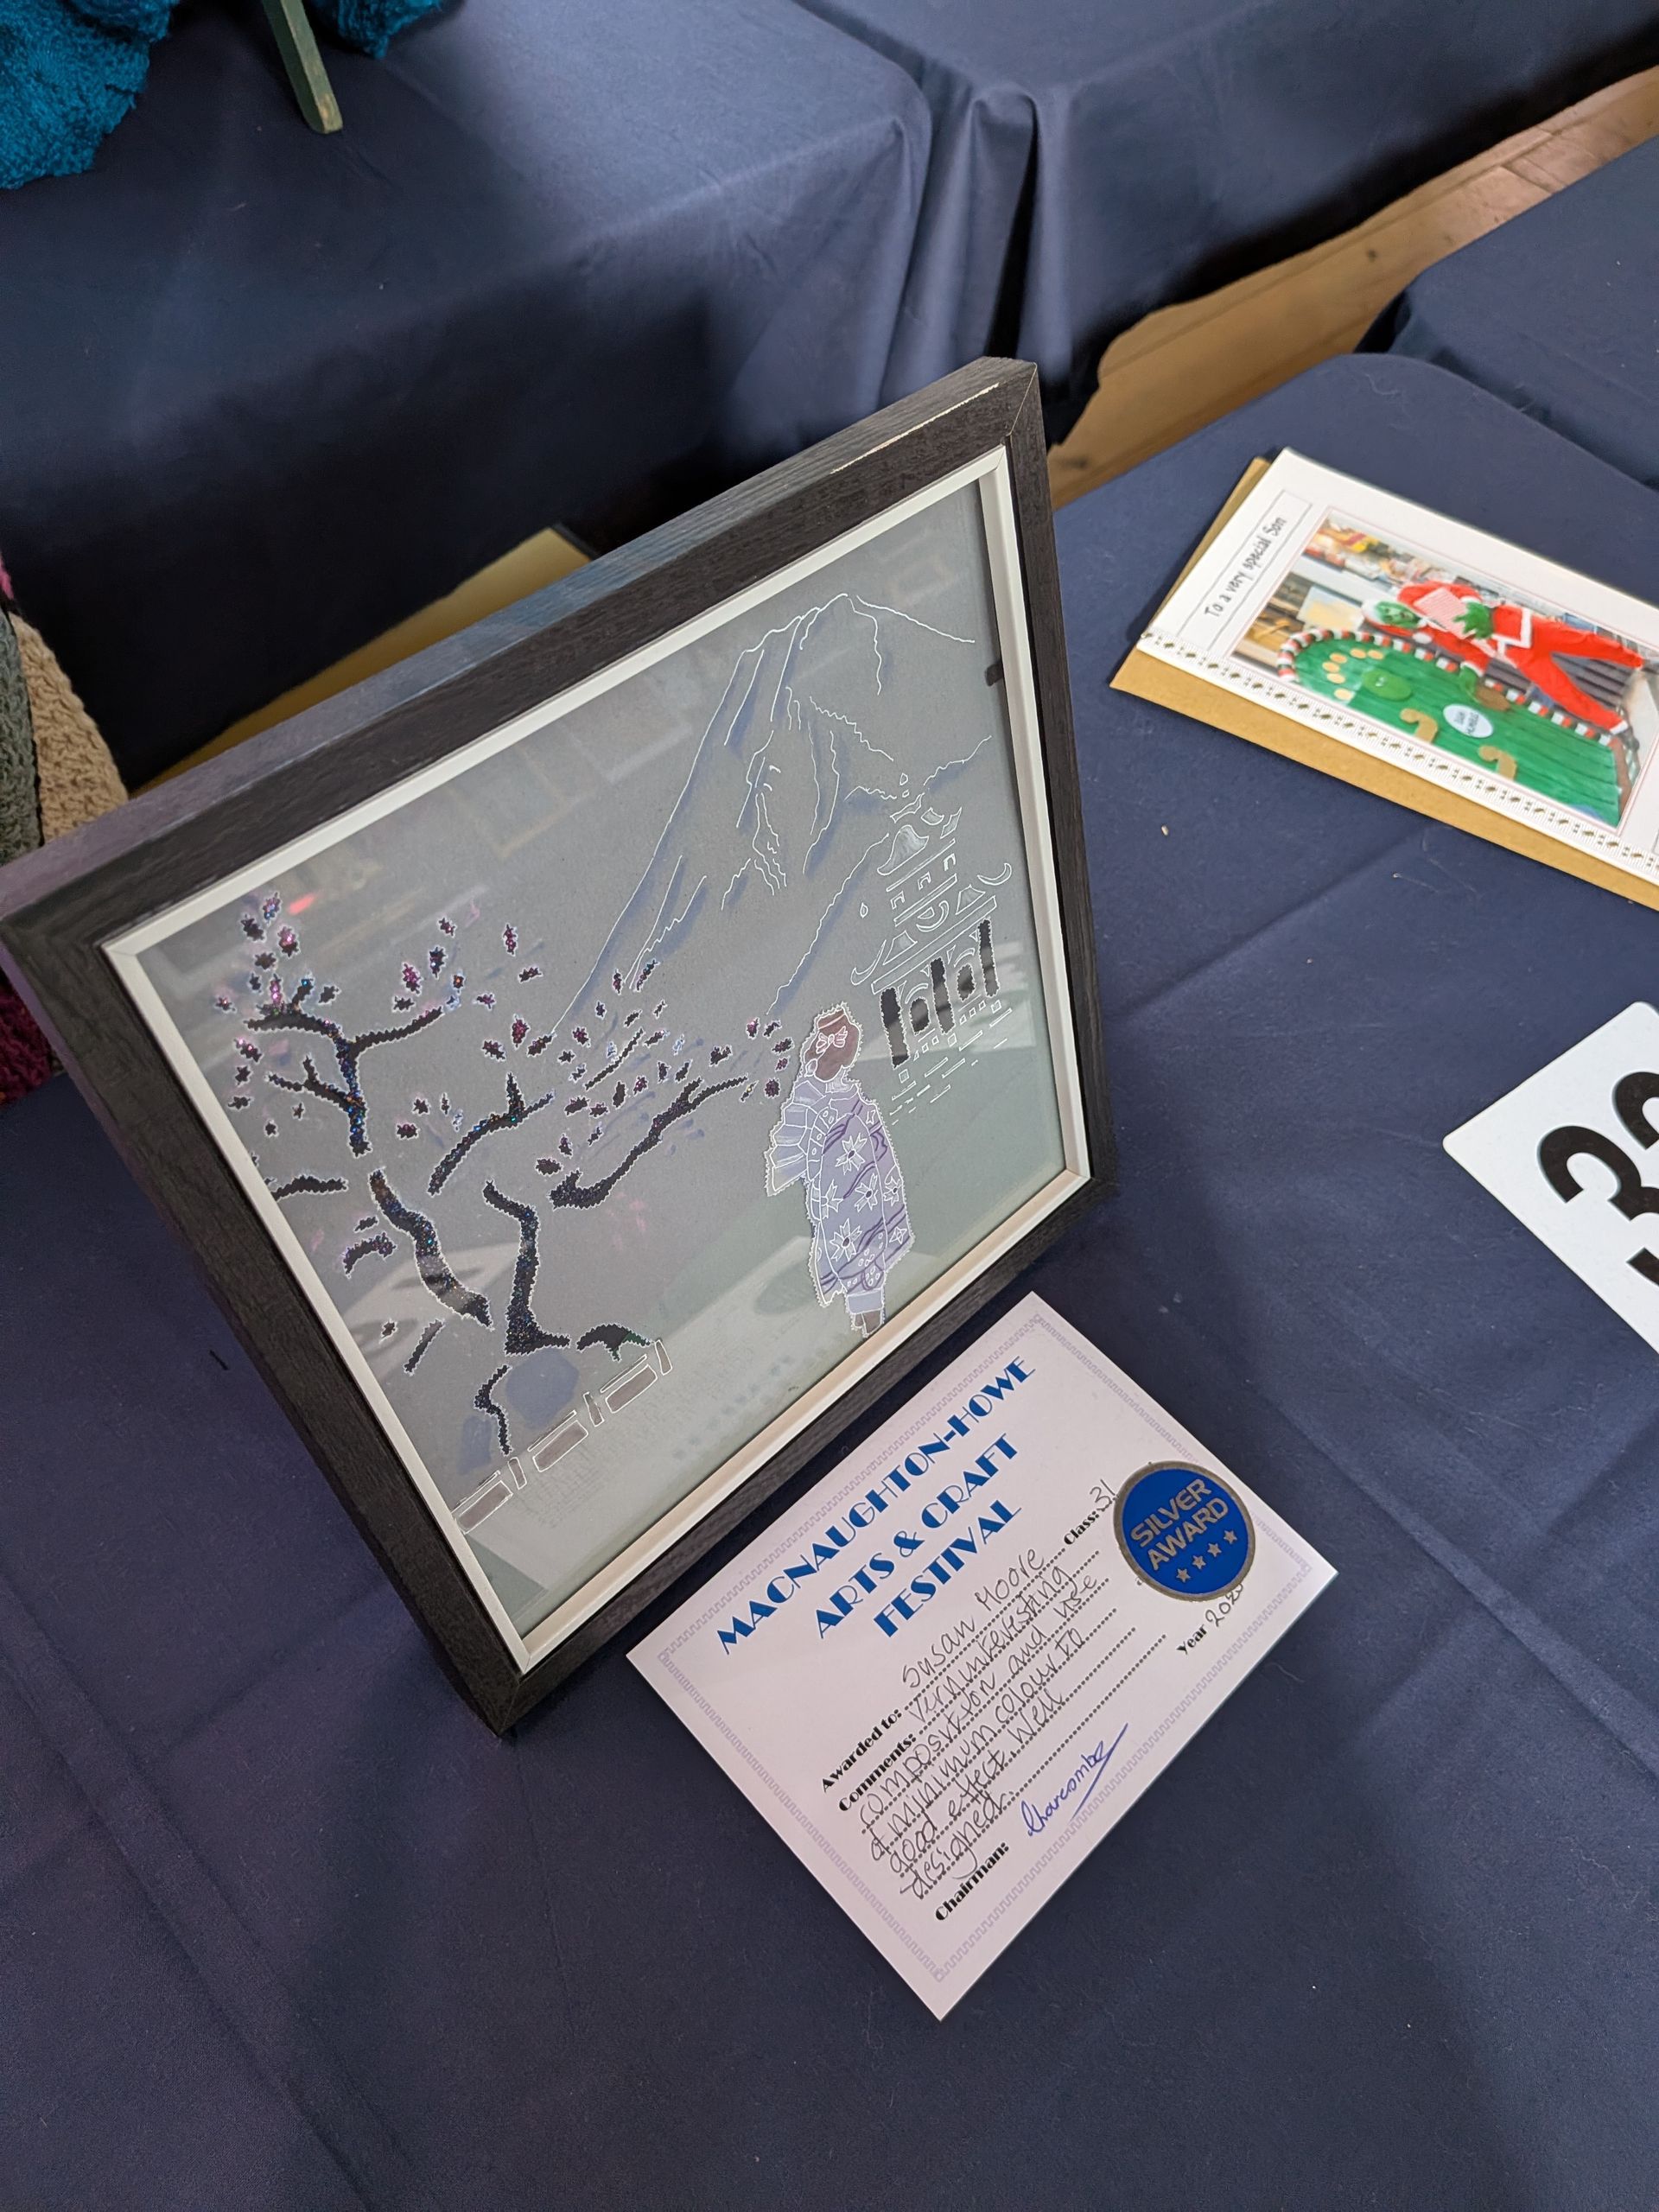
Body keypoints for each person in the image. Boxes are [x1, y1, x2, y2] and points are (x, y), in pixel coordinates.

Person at [766, 1006, 912, 1336]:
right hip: (834, 1196)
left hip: (862, 1189)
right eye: (822, 1041)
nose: (822, 1048)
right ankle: (865, 1321)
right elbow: (790, 1144)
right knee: (848, 1255)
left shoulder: (852, 1101)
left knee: (865, 1254)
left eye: (831, 1041)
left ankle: (871, 1323)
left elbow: (876, 1150)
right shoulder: (807, 1094)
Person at [1372, 581, 1643, 734]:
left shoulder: (1419, 595)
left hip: (1519, 627)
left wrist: (1475, 606)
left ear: (1393, 602)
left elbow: (1462, 592)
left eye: (1390, 609)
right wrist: (1470, 670)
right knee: (1561, 692)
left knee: (1588, 643)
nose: (1396, 615)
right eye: (1389, 619)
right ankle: (1617, 726)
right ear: (1394, 627)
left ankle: (1637, 661)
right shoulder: (1433, 636)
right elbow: (1472, 651)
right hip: (1511, 652)